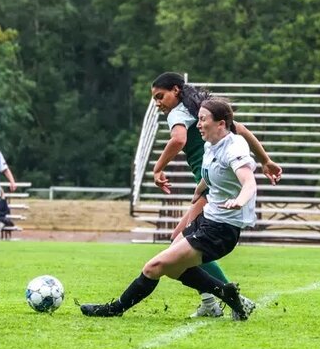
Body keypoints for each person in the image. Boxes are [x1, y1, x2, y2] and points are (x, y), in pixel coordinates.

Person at [80, 98, 257, 321]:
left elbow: (249, 182)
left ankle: (114, 309)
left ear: (221, 124)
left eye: (203, 120)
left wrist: (240, 200)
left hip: (221, 230)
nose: (199, 124)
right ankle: (226, 294)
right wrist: (201, 187)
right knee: (173, 268)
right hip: (208, 220)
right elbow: (213, 172)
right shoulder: (210, 143)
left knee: (154, 267)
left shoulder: (234, 148)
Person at [149, 72, 282, 318]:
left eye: (161, 96)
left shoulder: (178, 113)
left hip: (212, 186)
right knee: (181, 239)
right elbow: (240, 128)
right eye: (155, 99)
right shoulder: (201, 108)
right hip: (210, 184)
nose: (158, 103)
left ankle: (229, 298)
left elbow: (178, 139)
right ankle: (212, 301)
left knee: (182, 240)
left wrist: (157, 168)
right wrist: (266, 160)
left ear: (176, 90)